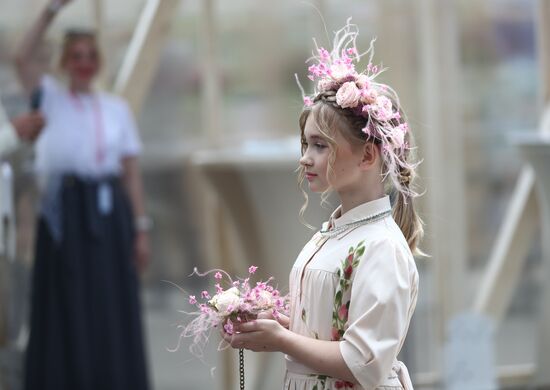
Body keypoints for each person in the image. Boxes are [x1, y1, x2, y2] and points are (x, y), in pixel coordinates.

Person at [223, 20, 423, 390]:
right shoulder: (333, 233)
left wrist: (282, 339)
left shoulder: (382, 247)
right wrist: (273, 327)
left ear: (367, 155)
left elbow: (363, 362)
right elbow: (327, 336)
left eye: (320, 145)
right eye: (305, 145)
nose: (305, 159)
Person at [14, 0, 151, 388]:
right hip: (66, 212)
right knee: (67, 300)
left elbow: (131, 173)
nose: (84, 62)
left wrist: (141, 228)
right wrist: (49, 12)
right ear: (64, 62)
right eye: (76, 56)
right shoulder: (50, 98)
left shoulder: (116, 109)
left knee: (110, 300)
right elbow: (21, 58)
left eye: (90, 56)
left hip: (110, 214)